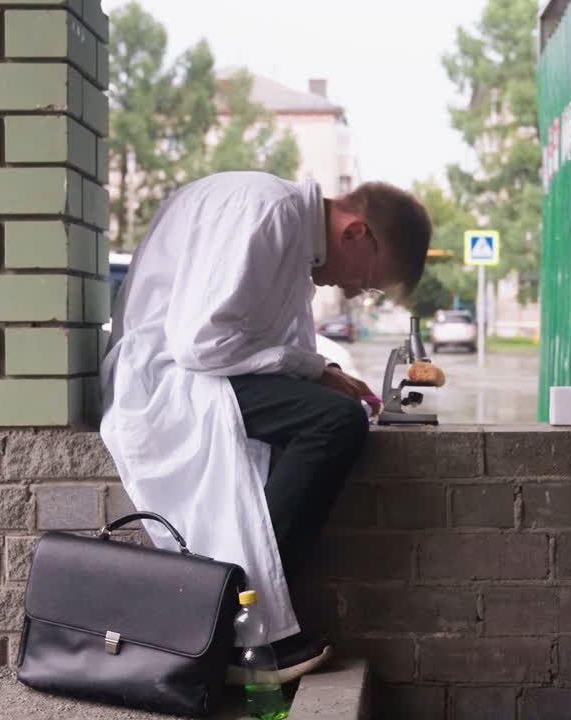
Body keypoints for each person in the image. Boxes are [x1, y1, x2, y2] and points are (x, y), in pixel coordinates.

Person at [99, 171, 432, 683]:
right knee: (335, 423)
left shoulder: (291, 231)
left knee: (335, 413)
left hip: (197, 372)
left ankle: (239, 623)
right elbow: (200, 344)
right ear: (354, 231)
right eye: (366, 280)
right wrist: (314, 372)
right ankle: (235, 624)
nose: (351, 291)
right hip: (166, 375)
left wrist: (323, 372)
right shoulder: (269, 211)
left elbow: (272, 347)